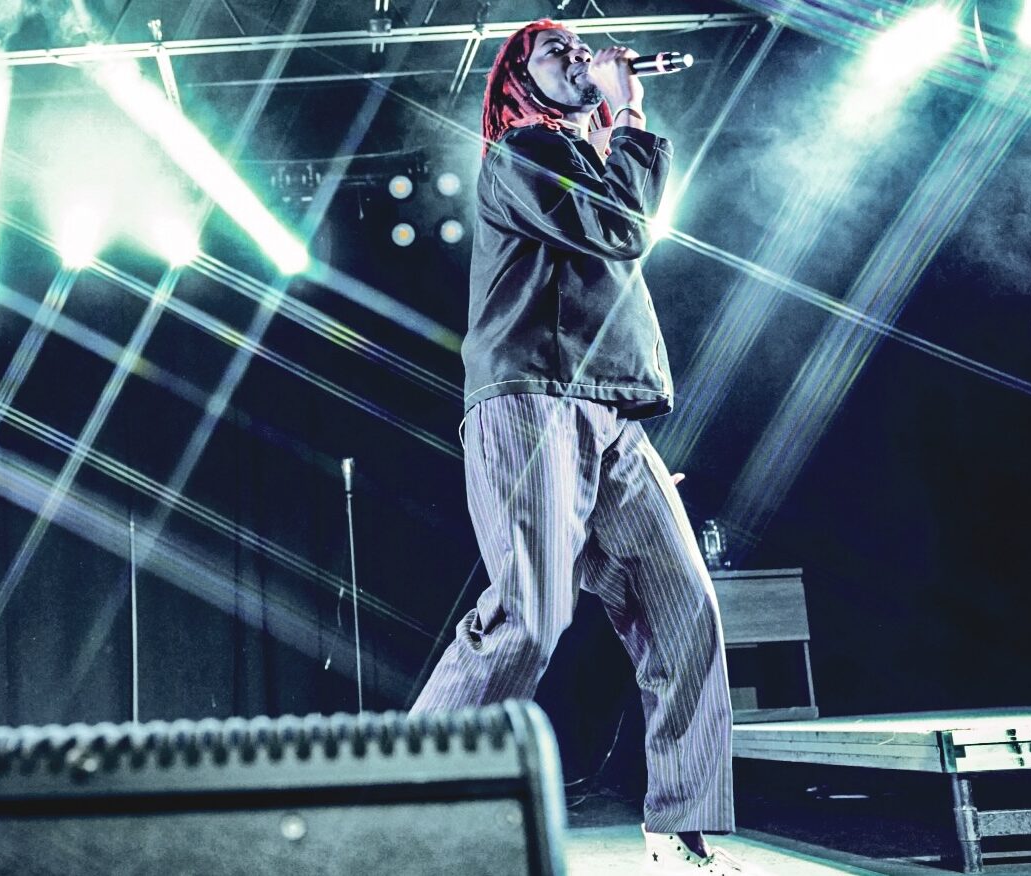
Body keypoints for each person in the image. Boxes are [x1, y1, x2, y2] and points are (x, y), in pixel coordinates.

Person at [409, 19, 750, 875]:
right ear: (517, 81)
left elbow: (616, 238)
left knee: (685, 608)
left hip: (611, 414)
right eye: (554, 51)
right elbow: (622, 227)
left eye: (579, 47)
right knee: (530, 612)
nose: (578, 55)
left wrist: (614, 132)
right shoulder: (521, 151)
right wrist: (629, 118)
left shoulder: (583, 161)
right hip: (530, 397)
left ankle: (679, 828)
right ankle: (400, 805)